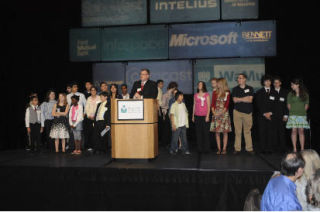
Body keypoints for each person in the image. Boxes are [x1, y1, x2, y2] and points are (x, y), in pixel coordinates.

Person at [232, 73, 254, 155]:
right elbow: (234, 100)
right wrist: (245, 98)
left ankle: (249, 148)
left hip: (248, 113)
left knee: (247, 131)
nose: (239, 79)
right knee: (237, 131)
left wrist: (239, 99)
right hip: (237, 112)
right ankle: (237, 149)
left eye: (240, 78)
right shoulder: (235, 89)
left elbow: (250, 100)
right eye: (238, 78)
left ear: (245, 79)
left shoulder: (250, 88)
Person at [255, 75, 277, 153]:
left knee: (270, 133)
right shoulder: (259, 92)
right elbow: (258, 105)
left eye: (269, 81)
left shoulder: (275, 92)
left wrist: (270, 113)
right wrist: (265, 114)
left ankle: (270, 148)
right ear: (263, 82)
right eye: (266, 81)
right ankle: (263, 149)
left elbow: (276, 105)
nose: (268, 82)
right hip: (262, 116)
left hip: (272, 116)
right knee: (262, 132)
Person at [286, 78, 310, 152]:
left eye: (292, 84)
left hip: (302, 115)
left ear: (298, 85)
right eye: (291, 84)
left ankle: (302, 148)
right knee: (294, 131)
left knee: (301, 131)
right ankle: (295, 148)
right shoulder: (290, 94)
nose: (291, 86)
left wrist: (301, 112)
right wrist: (293, 112)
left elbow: (306, 105)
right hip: (293, 115)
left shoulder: (305, 94)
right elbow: (288, 105)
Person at [210, 78, 231, 155]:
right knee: (217, 133)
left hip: (224, 114)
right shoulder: (215, 92)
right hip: (216, 113)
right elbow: (212, 104)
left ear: (222, 83)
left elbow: (227, 104)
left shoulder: (227, 92)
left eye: (218, 83)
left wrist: (221, 113)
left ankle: (224, 149)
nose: (217, 84)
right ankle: (219, 149)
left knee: (225, 133)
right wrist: (214, 112)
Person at [192, 81, 211, 153]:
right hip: (197, 116)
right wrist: (193, 116)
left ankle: (207, 149)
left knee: (205, 133)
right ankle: (199, 148)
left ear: (203, 86)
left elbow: (209, 106)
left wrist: (207, 116)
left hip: (204, 116)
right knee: (198, 133)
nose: (199, 85)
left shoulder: (206, 95)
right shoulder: (195, 95)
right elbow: (194, 105)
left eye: (201, 84)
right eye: (198, 84)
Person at [273, 76, 289, 152]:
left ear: (280, 83)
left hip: (282, 115)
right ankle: (275, 148)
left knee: (282, 132)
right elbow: (269, 104)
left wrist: (286, 115)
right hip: (273, 116)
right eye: (274, 83)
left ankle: (283, 148)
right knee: (274, 133)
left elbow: (287, 104)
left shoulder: (285, 92)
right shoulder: (271, 92)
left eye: (277, 82)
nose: (276, 84)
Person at [160, 81, 178, 147]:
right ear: (173, 87)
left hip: (169, 111)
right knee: (168, 129)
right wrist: (165, 114)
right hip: (168, 111)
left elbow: (163, 105)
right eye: (175, 88)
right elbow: (163, 105)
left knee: (168, 129)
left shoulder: (170, 94)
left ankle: (168, 143)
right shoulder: (167, 95)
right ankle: (166, 143)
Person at [84, 86, 101, 151]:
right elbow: (86, 108)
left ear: (96, 91)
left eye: (94, 90)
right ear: (90, 91)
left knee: (96, 133)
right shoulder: (88, 98)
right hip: (89, 118)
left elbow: (99, 108)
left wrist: (95, 116)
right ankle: (90, 146)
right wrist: (88, 115)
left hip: (97, 118)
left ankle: (96, 146)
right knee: (90, 133)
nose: (93, 91)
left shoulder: (99, 98)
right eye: (92, 90)